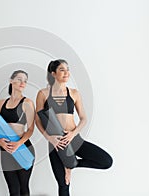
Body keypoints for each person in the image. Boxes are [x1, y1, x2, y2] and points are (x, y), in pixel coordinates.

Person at [35, 59, 113, 196]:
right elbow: (37, 119)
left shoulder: (74, 93)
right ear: (53, 73)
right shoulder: (43, 94)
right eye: (62, 70)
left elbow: (83, 119)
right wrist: (50, 138)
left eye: (67, 69)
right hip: (56, 144)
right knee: (64, 184)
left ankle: (73, 163)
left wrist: (72, 134)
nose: (66, 73)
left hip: (74, 140)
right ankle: (69, 164)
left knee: (106, 161)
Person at [0, 70, 35, 196]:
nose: (22, 83)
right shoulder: (1, 103)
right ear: (11, 81)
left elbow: (30, 130)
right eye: (19, 79)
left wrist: (18, 143)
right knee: (13, 189)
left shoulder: (27, 103)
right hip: (6, 149)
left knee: (23, 188)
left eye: (25, 81)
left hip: (23, 147)